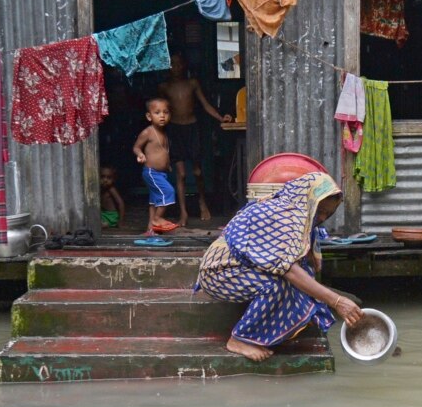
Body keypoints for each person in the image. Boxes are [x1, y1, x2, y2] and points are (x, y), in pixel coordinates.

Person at [195, 172, 364, 361]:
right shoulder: (283, 216)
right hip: (220, 273)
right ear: (309, 202)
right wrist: (337, 301)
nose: (323, 217)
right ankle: (239, 339)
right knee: (276, 285)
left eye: (329, 213)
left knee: (300, 281)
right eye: (321, 211)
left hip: (244, 266)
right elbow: (289, 270)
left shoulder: (300, 215)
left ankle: (273, 332)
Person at [158, 53, 233, 226]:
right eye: (172, 64)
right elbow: (159, 111)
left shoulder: (192, 84)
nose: (175, 68)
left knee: (197, 172)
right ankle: (183, 212)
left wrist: (221, 118)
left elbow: (205, 104)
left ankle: (202, 200)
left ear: (184, 66)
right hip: (175, 131)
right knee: (181, 174)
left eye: (178, 64)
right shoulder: (164, 87)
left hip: (192, 128)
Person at [132, 98, 178, 235]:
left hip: (161, 173)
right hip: (151, 172)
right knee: (168, 191)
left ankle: (150, 230)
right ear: (149, 116)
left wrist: (167, 165)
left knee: (154, 202)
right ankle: (157, 219)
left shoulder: (164, 133)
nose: (162, 116)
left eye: (166, 112)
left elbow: (163, 152)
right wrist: (140, 154)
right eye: (157, 112)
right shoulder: (148, 132)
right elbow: (136, 147)